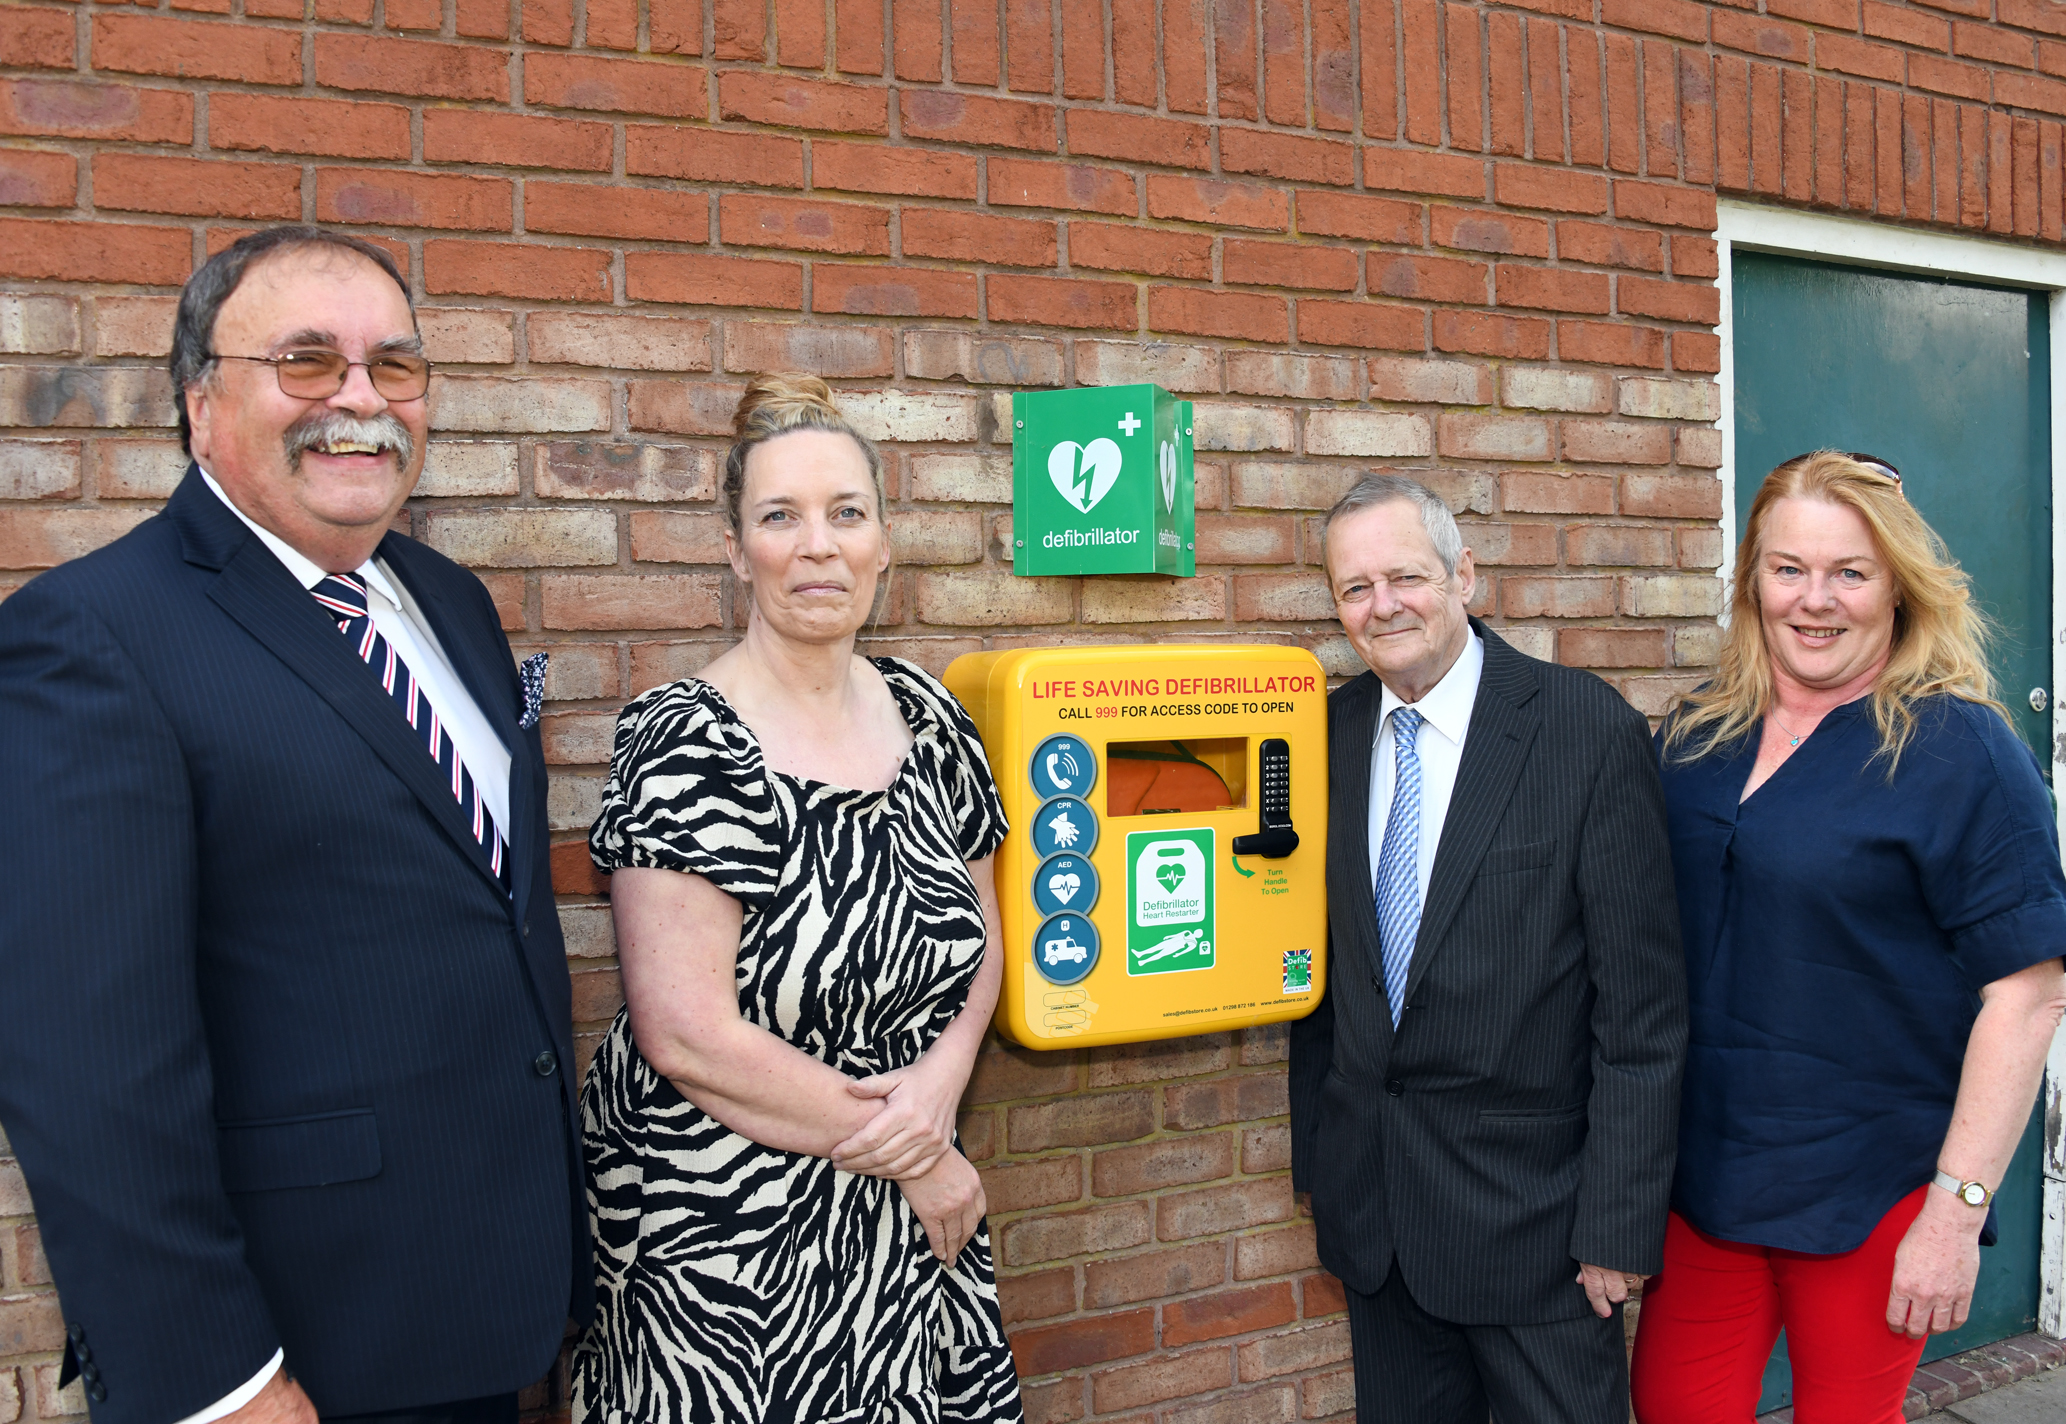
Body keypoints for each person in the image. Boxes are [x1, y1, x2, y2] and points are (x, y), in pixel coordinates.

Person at [0, 226, 588, 1424]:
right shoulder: (92, 637)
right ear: (200, 400)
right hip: (298, 1352)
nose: (360, 401)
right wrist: (221, 1382)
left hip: (480, 1313)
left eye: (394, 364)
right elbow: (86, 1067)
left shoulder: (450, 603)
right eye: (308, 361)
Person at [572, 374, 1023, 1423]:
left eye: (845, 513)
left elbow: (983, 943)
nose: (817, 545)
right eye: (780, 516)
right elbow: (685, 1032)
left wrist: (939, 1095)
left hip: (911, 1218)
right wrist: (918, 1153)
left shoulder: (931, 715)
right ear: (735, 547)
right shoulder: (683, 739)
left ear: (882, 540)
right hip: (730, 1248)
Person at [1630, 452, 2066, 1423]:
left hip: (1870, 1187)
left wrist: (1952, 1213)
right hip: (1703, 1181)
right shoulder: (1698, 736)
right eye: (1787, 568)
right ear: (1751, 578)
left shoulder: (1958, 749)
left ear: (1896, 587)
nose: (1813, 600)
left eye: (1848, 573)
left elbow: (2027, 989)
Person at [1289, 472, 1688, 1424]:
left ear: (1463, 574)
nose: (1382, 606)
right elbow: (1326, 973)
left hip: (1539, 1238)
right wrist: (1324, 1164)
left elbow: (1643, 1012)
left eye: (1405, 577)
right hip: (1379, 1224)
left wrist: (1617, 1227)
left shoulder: (1584, 729)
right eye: (1355, 588)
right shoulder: (1323, 736)